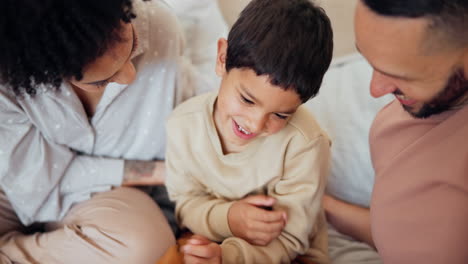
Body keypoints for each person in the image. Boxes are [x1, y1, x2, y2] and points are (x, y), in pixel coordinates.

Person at [0, 0, 225, 263]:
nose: (130, 76)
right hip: (19, 180)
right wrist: (163, 172)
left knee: (143, 245)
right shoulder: (9, 82)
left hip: (110, 197)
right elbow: (36, 179)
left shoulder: (158, 26)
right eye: (100, 81)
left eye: (133, 46)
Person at [164, 0, 334, 263]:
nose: (255, 125)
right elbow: (186, 205)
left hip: (286, 254)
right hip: (209, 238)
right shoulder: (182, 125)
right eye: (247, 100)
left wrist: (228, 255)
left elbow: (292, 239)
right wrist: (229, 218)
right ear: (222, 58)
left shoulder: (305, 143)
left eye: (280, 115)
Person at [324, 0, 468, 263]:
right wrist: (323, 206)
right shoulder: (402, 118)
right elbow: (400, 236)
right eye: (370, 61)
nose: (375, 89)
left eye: (401, 75)